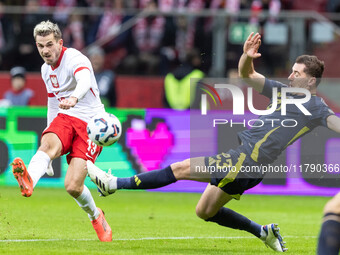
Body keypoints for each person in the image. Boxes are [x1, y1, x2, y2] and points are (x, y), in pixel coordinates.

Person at [87, 32, 340, 252]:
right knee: (205, 211)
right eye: (292, 71)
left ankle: (113, 184)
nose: (291, 76)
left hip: (246, 160)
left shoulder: (315, 106)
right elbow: (247, 75)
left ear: (311, 81)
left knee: (180, 169)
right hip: (246, 161)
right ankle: (263, 232)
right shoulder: (284, 91)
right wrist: (247, 55)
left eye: (297, 74)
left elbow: (334, 123)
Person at [11, 20, 112, 242]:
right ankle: (30, 180)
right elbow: (53, 104)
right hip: (66, 117)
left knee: (72, 186)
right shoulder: (45, 70)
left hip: (91, 123)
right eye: (40, 46)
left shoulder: (75, 58)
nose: (45, 51)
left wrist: (75, 96)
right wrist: (49, 135)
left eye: (49, 44)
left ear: (60, 42)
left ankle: (96, 216)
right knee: (47, 145)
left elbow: (84, 78)